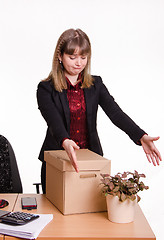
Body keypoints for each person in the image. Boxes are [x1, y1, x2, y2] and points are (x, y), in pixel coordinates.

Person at [37, 28, 162, 193]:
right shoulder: (45, 88)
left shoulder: (96, 84)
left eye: (83, 57)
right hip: (57, 161)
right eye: (72, 57)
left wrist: (140, 136)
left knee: (91, 213)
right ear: (59, 56)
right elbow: (53, 121)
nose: (79, 63)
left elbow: (115, 113)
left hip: (91, 161)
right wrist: (65, 141)